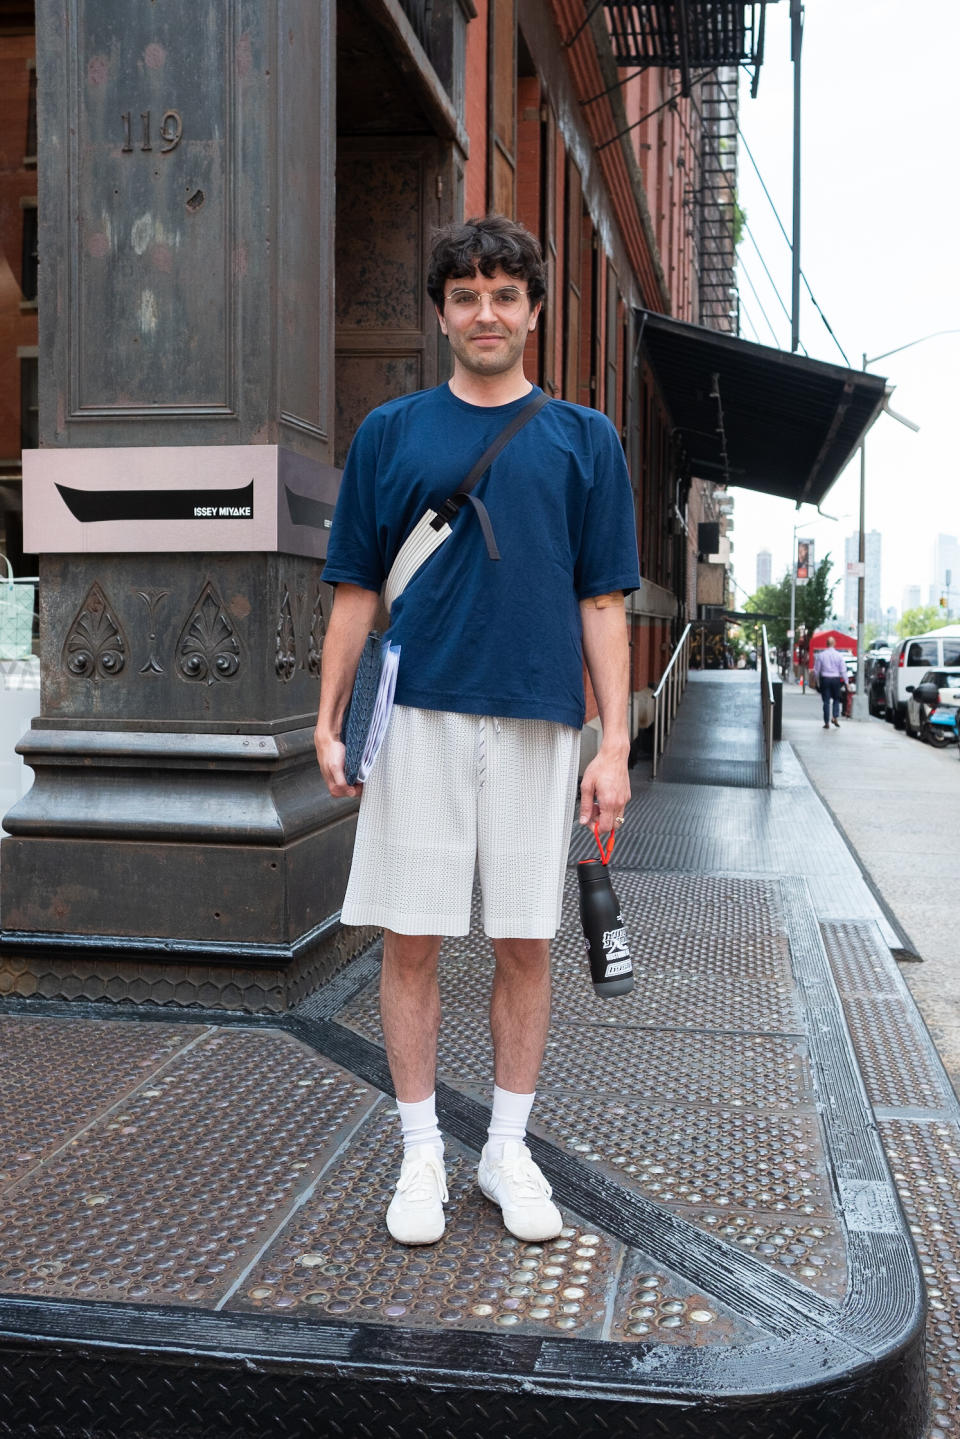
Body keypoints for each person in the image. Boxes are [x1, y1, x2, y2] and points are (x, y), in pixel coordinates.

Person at [314, 215, 640, 1247]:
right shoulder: (391, 433)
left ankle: (505, 1146)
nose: (487, 311)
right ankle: (420, 1148)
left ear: (534, 311)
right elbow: (357, 590)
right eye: (467, 296)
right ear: (444, 313)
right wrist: (327, 722)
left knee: (523, 941)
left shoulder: (586, 439)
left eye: (506, 294)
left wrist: (617, 747)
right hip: (417, 718)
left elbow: (603, 604)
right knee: (408, 938)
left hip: (544, 723)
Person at [814, 636, 847, 728]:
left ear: (826, 644)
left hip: (825, 679)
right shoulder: (839, 655)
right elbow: (843, 670)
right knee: (836, 699)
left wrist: (817, 681)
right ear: (834, 643)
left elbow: (817, 670)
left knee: (826, 701)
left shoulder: (821, 655)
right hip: (836, 679)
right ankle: (835, 717)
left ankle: (826, 722)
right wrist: (846, 682)